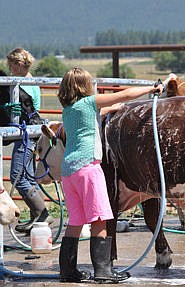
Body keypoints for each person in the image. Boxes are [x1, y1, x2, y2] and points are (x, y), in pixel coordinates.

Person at [57, 67, 163, 283]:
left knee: (76, 221)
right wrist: (152, 88)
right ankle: (103, 271)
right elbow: (124, 93)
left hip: (69, 171)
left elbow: (97, 114)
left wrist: (115, 108)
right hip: (88, 168)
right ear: (83, 86)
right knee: (99, 217)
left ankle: (68, 271)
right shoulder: (89, 103)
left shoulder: (69, 110)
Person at [7, 48, 53, 234]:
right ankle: (37, 217)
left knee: (17, 176)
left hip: (26, 133)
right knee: (27, 175)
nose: (9, 69)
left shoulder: (20, 84)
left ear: (18, 65)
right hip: (33, 131)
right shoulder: (33, 81)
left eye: (11, 66)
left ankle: (42, 213)